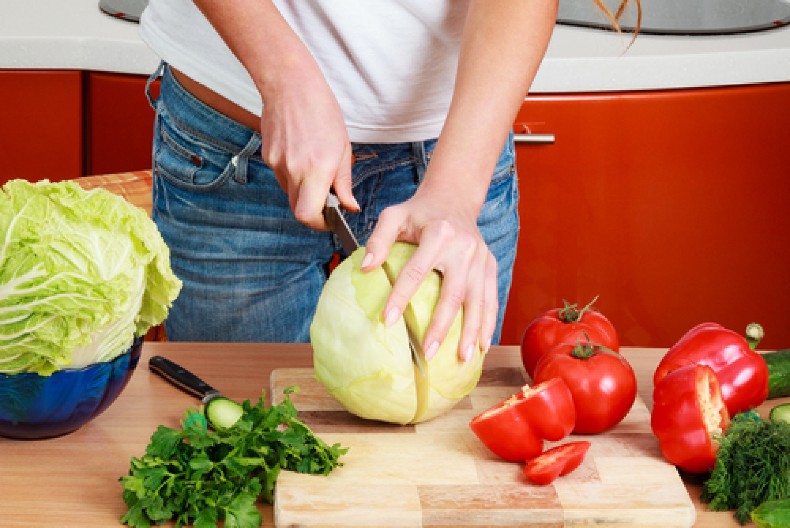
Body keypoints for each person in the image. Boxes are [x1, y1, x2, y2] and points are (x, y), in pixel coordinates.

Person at [139, 0, 558, 362]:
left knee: (440, 423)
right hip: (236, 134)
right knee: (243, 421)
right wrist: (283, 77)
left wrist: (456, 194)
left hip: (458, 153)